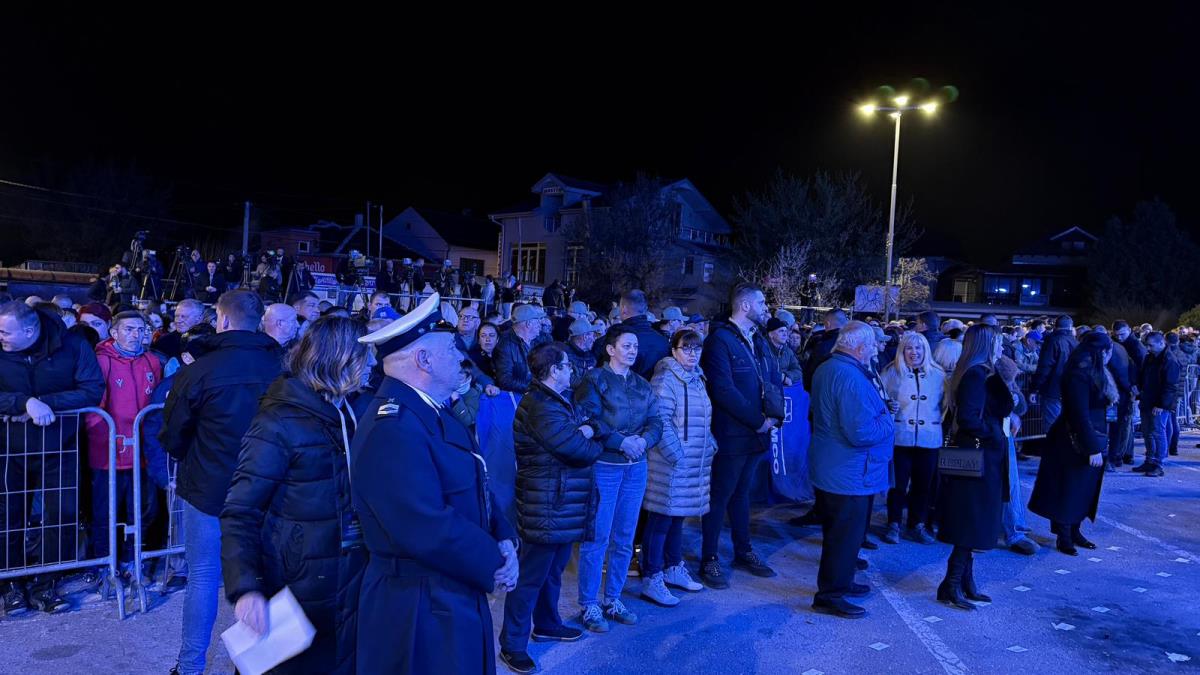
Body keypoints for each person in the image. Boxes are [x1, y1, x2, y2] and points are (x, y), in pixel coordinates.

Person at [350, 293, 518, 675]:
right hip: (417, 606)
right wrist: (494, 561)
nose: (462, 359)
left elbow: (475, 481)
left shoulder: (430, 409)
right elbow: (424, 522)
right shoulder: (392, 427)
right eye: (450, 350)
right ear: (423, 360)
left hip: (448, 589)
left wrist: (504, 534)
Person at [220, 316, 372, 674]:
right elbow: (240, 510)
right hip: (295, 584)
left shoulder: (354, 410)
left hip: (349, 578)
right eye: (366, 357)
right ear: (341, 360)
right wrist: (246, 587)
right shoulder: (278, 423)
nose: (373, 366)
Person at [159, 290, 283, 675]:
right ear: (259, 321)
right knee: (260, 580)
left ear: (223, 320)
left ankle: (190, 666)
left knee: (203, 576)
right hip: (266, 490)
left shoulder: (198, 370)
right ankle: (252, 665)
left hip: (210, 490)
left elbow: (174, 433)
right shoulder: (283, 367)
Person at [500, 343, 602, 673]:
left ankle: (546, 625)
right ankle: (512, 644)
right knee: (530, 577)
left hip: (559, 503)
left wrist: (590, 429)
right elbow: (577, 449)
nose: (572, 370)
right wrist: (590, 434)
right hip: (545, 504)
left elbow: (589, 428)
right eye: (567, 366)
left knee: (553, 570)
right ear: (554, 370)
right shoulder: (540, 405)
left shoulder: (556, 400)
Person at [0, 301, 104, 613]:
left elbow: (91, 390)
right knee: (9, 518)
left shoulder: (73, 345)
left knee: (62, 516)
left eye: (5, 331)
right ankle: (11, 584)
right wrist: (24, 403)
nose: (0, 336)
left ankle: (45, 585)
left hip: (60, 446)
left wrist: (45, 403)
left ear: (30, 331)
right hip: (9, 449)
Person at [573, 324, 663, 631]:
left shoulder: (641, 383)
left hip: (635, 467)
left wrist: (643, 442)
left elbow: (656, 421)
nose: (633, 350)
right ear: (610, 349)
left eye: (635, 346)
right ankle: (589, 604)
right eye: (627, 345)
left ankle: (612, 599)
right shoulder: (595, 380)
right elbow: (589, 418)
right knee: (597, 537)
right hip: (605, 466)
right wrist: (620, 442)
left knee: (625, 538)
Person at [808, 322, 895, 618]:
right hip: (849, 471)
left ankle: (840, 582)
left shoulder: (829, 368)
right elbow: (861, 433)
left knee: (839, 535)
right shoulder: (850, 376)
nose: (876, 349)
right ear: (859, 346)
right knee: (843, 537)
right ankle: (831, 594)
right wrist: (887, 418)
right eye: (872, 345)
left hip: (838, 468)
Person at [699, 284, 782, 588]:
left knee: (742, 495)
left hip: (756, 433)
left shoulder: (757, 339)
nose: (766, 308)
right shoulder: (720, 340)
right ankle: (708, 558)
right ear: (745, 306)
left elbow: (771, 379)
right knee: (720, 496)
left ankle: (742, 550)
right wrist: (757, 420)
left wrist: (774, 418)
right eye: (761, 302)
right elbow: (722, 389)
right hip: (733, 434)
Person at [935, 324, 1011, 611]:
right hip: (980, 456)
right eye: (998, 343)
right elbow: (968, 417)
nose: (1001, 348)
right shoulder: (977, 375)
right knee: (972, 518)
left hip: (980, 454)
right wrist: (991, 432)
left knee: (973, 517)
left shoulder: (976, 372)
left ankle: (962, 582)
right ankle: (952, 584)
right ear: (986, 345)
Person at [84, 311, 165, 565]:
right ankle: (103, 562)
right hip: (109, 452)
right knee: (105, 511)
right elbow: (94, 409)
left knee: (142, 509)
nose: (135, 335)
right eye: (129, 329)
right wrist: (104, 440)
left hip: (143, 452)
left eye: (140, 330)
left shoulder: (152, 361)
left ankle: (134, 560)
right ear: (114, 332)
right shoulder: (102, 361)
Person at [641, 330, 715, 607]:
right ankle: (652, 575)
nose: (692, 354)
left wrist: (709, 444)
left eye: (696, 348)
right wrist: (677, 455)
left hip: (692, 461)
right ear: (674, 351)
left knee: (677, 517)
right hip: (671, 464)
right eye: (686, 349)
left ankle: (673, 566)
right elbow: (659, 421)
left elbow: (701, 420)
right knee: (661, 519)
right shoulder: (666, 379)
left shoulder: (697, 378)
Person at [1029, 331, 1115, 556]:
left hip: (1090, 434)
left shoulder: (1092, 370)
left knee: (1083, 487)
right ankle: (1064, 536)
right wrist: (1092, 447)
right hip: (1074, 438)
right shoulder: (1079, 373)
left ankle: (1074, 530)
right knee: (1069, 488)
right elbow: (1078, 413)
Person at [879, 332, 945, 545]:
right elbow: (880, 399)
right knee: (897, 484)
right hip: (900, 438)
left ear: (926, 350)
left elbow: (946, 405)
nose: (914, 352)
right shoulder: (891, 372)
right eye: (909, 348)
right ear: (902, 351)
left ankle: (917, 523)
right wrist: (889, 407)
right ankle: (894, 523)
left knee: (923, 485)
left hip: (929, 438)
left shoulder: (938, 375)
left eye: (919, 348)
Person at [994, 357, 1039, 555]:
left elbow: (1020, 407)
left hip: (1002, 435)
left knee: (1009, 483)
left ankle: (1014, 529)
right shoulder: (978, 370)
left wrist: (1012, 396)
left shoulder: (1001, 363)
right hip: (986, 436)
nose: (1001, 348)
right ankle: (1011, 530)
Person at [1135, 331, 1179, 477]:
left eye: (1151, 345)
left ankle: (1158, 464)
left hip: (1159, 404)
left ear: (1161, 343)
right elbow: (1144, 376)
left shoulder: (1169, 360)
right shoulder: (1150, 357)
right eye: (1147, 345)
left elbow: (1170, 385)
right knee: (1148, 433)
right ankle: (1150, 460)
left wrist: (1161, 404)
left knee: (1158, 433)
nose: (1148, 348)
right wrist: (1139, 390)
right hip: (1147, 400)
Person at [1030, 315, 1079, 429]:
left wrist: (1035, 388)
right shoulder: (1075, 343)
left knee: (1052, 427)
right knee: (1067, 426)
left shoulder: (1052, 341)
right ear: (1071, 327)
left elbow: (1044, 367)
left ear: (1056, 326)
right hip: (1070, 390)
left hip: (1052, 390)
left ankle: (1054, 446)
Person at [613, 290, 670, 379]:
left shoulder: (614, 339)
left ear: (623, 309)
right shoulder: (663, 341)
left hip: (625, 391)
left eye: (619, 307)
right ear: (645, 309)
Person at [493, 304, 544, 393]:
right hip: (519, 396)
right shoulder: (505, 344)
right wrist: (533, 389)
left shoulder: (536, 340)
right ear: (529, 324)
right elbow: (505, 380)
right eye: (538, 321)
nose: (541, 324)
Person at [802, 309, 848, 390]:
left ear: (828, 324)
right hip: (846, 389)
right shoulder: (854, 343)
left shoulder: (821, 344)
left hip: (822, 389)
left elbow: (809, 369)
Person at [766, 316, 803, 386]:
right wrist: (782, 377)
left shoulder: (788, 351)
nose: (785, 334)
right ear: (771, 334)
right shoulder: (763, 349)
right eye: (781, 331)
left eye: (786, 331)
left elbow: (798, 371)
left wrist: (786, 376)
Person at [565, 318, 600, 387]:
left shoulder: (590, 356)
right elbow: (570, 382)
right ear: (585, 337)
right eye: (593, 336)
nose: (594, 339)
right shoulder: (565, 356)